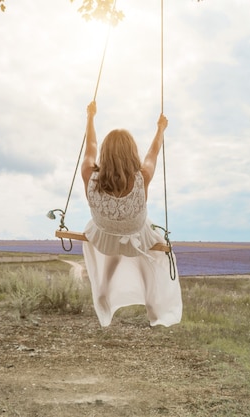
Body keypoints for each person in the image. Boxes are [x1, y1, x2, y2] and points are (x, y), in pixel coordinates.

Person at [80, 100, 182, 327]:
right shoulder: (142, 176)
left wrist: (90, 117)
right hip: (137, 240)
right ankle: (152, 299)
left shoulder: (89, 173)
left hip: (104, 240)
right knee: (154, 254)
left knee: (116, 241)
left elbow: (91, 145)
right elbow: (153, 152)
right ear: (131, 153)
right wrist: (161, 129)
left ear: (105, 154)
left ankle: (104, 288)